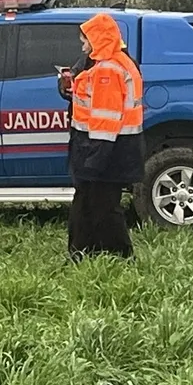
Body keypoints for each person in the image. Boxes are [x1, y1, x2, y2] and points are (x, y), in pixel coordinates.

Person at [66, 13, 142, 261]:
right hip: (113, 148)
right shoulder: (117, 62)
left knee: (101, 207)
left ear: (97, 39)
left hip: (104, 148)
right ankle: (90, 252)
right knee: (94, 203)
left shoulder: (107, 70)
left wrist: (94, 159)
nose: (83, 46)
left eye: (85, 41)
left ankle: (117, 255)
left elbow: (105, 120)